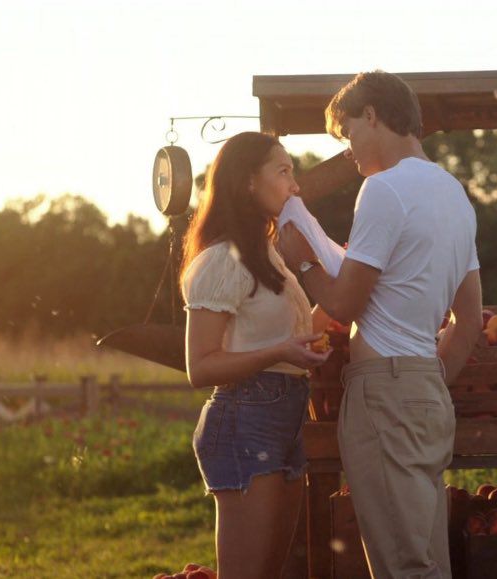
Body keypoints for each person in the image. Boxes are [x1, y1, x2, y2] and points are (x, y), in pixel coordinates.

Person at [278, 70, 483, 579]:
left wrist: (303, 261)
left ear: (371, 114)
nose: (348, 149)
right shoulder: (454, 193)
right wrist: (425, 379)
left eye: (347, 133)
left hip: (383, 392)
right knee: (427, 557)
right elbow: (471, 319)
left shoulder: (383, 189)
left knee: (402, 565)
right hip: (425, 386)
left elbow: (344, 304)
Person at [179, 131, 332, 579]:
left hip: (284, 414)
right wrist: (281, 351)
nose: (295, 185)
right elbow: (200, 366)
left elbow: (285, 335)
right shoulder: (221, 261)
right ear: (248, 181)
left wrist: (341, 311)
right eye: (283, 172)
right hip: (246, 417)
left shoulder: (270, 253)